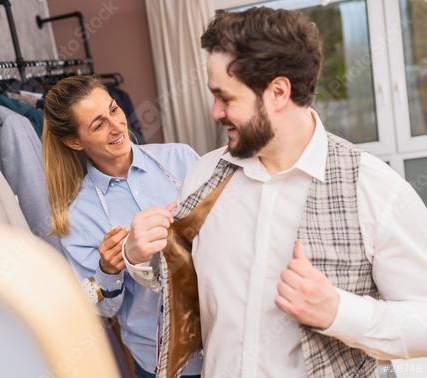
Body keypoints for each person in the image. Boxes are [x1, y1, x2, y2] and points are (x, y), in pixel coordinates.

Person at [124, 7, 427, 378]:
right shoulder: (203, 177)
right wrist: (136, 255)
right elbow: (177, 279)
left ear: (278, 92)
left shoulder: (374, 189)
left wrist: (338, 311)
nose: (214, 112)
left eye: (226, 98)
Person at [42, 75, 202, 378]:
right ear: (75, 141)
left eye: (114, 110)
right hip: (160, 363)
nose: (116, 127)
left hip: (224, 340)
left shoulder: (181, 159)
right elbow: (98, 309)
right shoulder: (77, 217)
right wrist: (109, 269)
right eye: (98, 124)